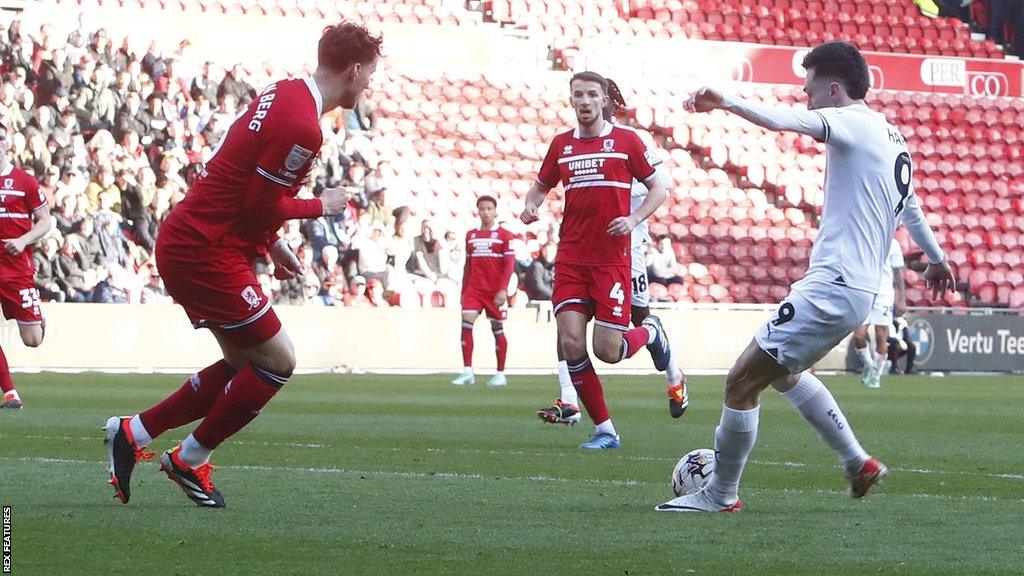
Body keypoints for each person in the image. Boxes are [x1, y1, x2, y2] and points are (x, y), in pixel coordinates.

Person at [656, 42, 955, 513]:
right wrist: (936, 258)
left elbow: (783, 121)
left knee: (740, 382)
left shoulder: (848, 121)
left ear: (834, 89)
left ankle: (720, 493)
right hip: (855, 290)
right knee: (786, 375)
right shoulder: (891, 136)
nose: (803, 92)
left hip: (833, 286)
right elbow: (912, 208)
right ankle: (857, 462)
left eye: (809, 84)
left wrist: (727, 100)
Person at [103, 23, 382, 508]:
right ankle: (189, 459)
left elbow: (247, 187)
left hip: (200, 238)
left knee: (242, 365)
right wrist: (323, 206)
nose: (369, 85)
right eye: (370, 75)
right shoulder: (304, 126)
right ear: (355, 69)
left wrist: (271, 244)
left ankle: (133, 432)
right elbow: (258, 205)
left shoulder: (285, 92)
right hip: (203, 248)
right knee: (279, 361)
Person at [521, 71, 669, 450]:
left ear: (604, 99)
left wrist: (635, 219)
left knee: (608, 351)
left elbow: (658, 187)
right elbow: (540, 186)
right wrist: (531, 205)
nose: (584, 102)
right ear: (570, 100)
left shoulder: (626, 142)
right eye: (577, 95)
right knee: (571, 341)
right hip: (571, 257)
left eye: (591, 95)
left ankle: (650, 333)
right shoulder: (561, 146)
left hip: (611, 261)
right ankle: (605, 429)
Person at [0, 121, 52, 409]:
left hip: (16, 266)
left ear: (8, 144)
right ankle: (10, 392)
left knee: (32, 339)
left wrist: (22, 240)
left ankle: (39, 321)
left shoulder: (25, 182)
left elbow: (46, 221)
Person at [452, 195, 515, 388]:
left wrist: (503, 289)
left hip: (495, 291)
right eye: (482, 209)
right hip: (474, 289)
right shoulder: (471, 235)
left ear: (495, 211)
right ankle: (467, 371)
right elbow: (467, 265)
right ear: (477, 211)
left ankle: (500, 373)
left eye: (489, 208)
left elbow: (509, 265)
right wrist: (464, 290)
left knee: (497, 329)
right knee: (466, 323)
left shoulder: (505, 235)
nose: (485, 212)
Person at [851, 238, 905, 388]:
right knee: (858, 336)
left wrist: (902, 298)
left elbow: (898, 275)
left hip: (884, 296)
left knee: (881, 335)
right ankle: (869, 365)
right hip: (864, 293)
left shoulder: (893, 244)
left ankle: (876, 375)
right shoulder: (863, 238)